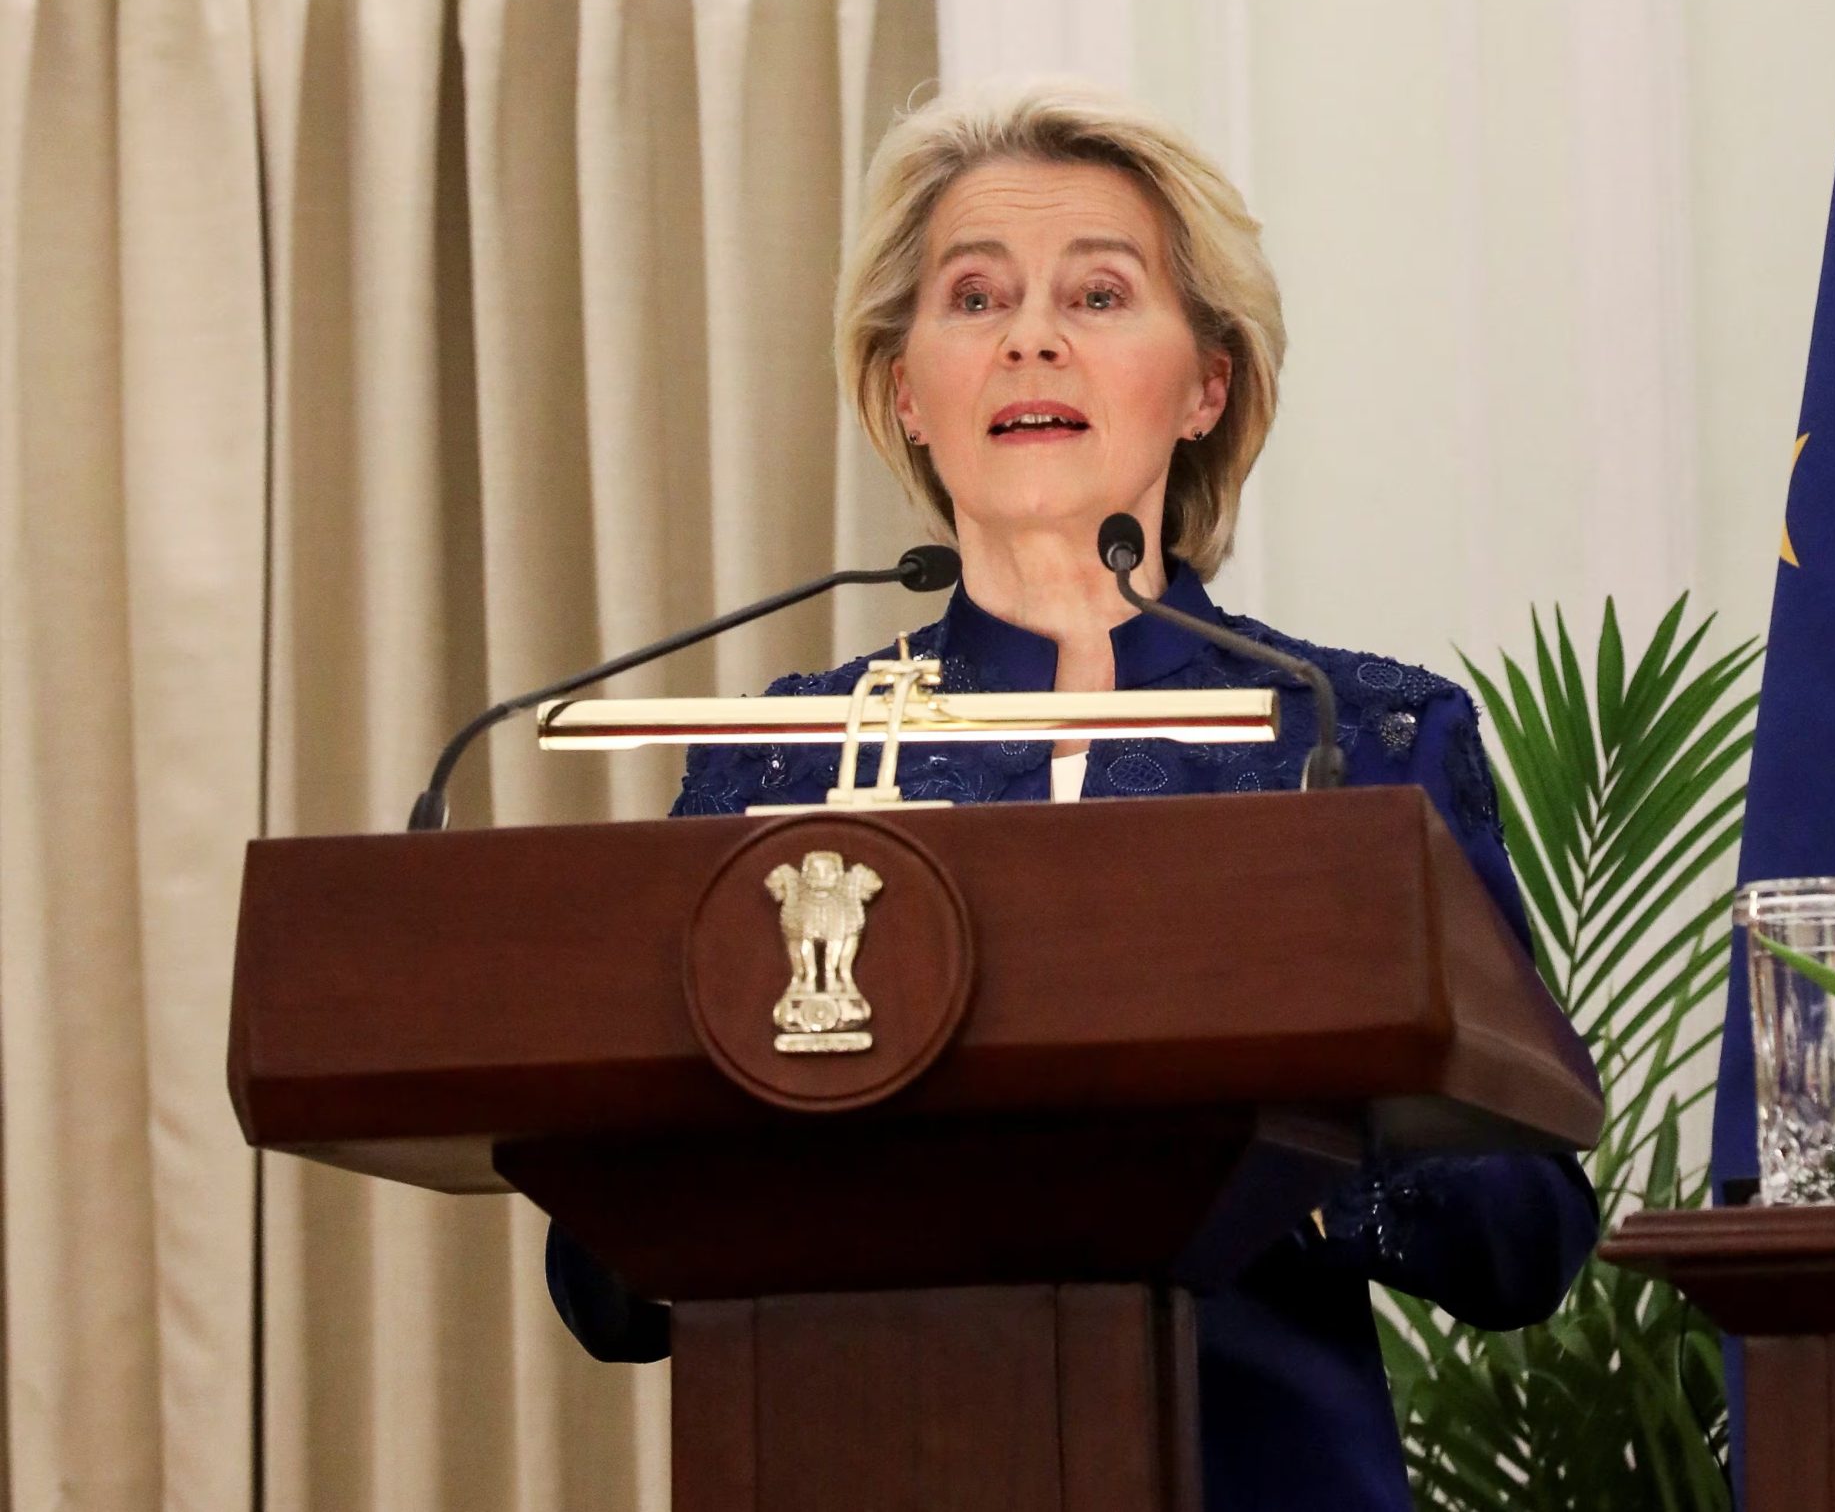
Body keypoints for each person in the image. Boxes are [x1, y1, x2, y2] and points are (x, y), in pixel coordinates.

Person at [544, 80, 1599, 1511]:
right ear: (909, 389)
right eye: (973, 297)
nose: (1030, 333)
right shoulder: (781, 761)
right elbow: (606, 1279)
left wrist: (1257, 1158)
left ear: (1207, 383)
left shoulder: (1358, 739)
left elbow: (1529, 1228)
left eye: (1099, 294)